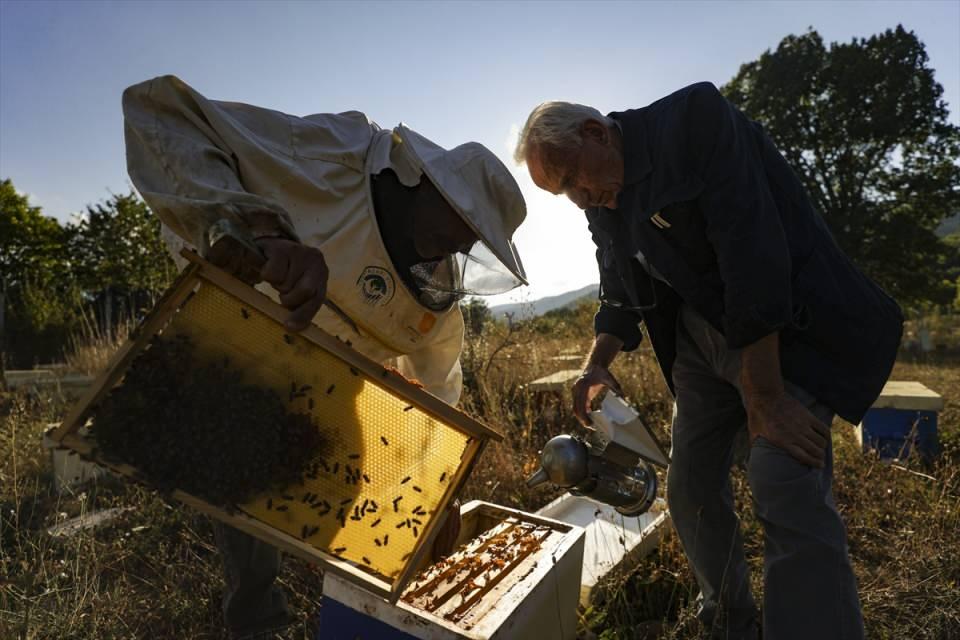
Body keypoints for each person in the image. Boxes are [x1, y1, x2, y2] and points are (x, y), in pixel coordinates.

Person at [123, 75, 527, 639]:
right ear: (426, 184)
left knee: (349, 530)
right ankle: (255, 625)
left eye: (473, 240)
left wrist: (440, 491)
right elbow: (160, 111)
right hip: (241, 353)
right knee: (242, 524)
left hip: (334, 391)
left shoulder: (436, 298)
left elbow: (440, 392)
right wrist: (258, 231)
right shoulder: (334, 155)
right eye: (463, 224)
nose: (460, 246)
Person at [513, 83, 902, 640]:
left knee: (782, 479)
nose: (578, 198)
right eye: (564, 193)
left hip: (784, 328)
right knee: (689, 487)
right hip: (699, 341)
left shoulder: (694, 122)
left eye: (574, 178)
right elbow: (618, 286)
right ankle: (729, 621)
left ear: (597, 133)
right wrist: (597, 362)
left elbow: (754, 253)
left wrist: (765, 397)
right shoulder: (605, 198)